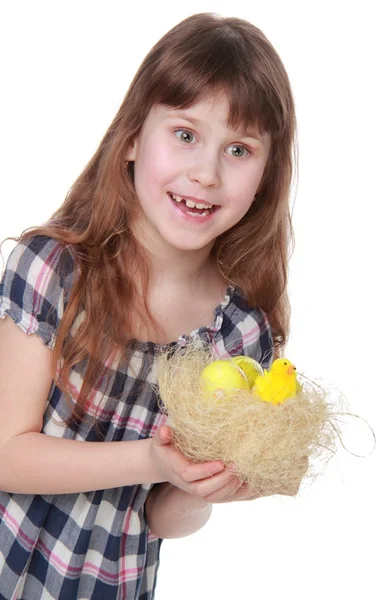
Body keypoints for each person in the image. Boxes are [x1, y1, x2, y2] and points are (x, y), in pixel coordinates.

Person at [0, 12, 302, 600]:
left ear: (266, 177)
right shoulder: (54, 270)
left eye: (239, 149)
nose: (206, 174)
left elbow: (161, 520)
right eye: (185, 134)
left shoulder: (239, 335)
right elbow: (7, 455)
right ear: (134, 136)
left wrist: (205, 483)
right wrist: (152, 459)